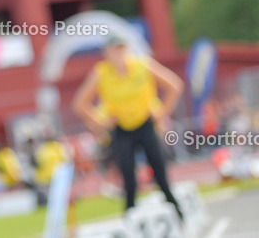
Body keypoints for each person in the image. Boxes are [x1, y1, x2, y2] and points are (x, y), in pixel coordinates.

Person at [73, 35, 185, 220]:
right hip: (121, 129)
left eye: (122, 48)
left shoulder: (142, 65)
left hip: (146, 124)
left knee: (160, 173)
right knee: (128, 179)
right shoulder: (101, 73)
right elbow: (80, 104)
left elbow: (174, 85)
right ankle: (129, 219)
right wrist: (101, 122)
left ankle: (177, 212)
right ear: (106, 53)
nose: (119, 53)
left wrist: (162, 113)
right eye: (115, 49)